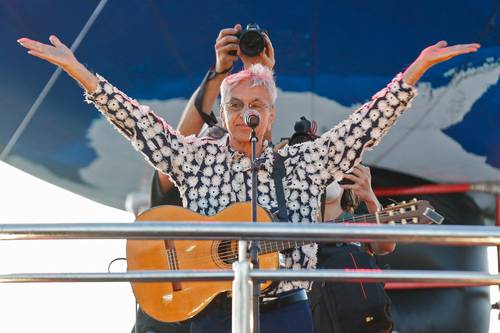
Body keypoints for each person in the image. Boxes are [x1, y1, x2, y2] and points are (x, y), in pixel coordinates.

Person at [18, 29, 479, 332]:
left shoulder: (303, 164)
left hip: (288, 310)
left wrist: (414, 72)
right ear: (223, 114)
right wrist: (79, 72)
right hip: (211, 309)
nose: (245, 113)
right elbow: (138, 123)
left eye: (255, 105)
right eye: (235, 107)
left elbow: (363, 126)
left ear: (271, 113)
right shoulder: (196, 158)